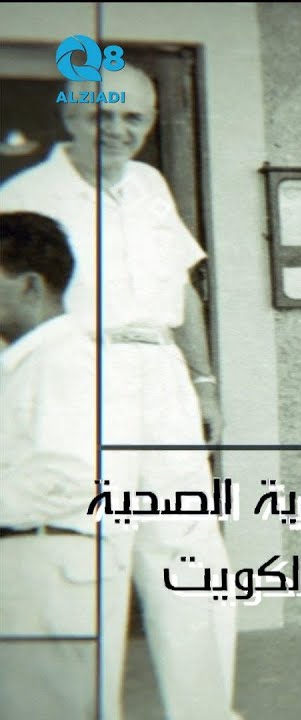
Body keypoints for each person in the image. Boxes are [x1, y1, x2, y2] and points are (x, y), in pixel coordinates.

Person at [0, 66, 240, 720]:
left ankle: (206, 712)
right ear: (71, 116)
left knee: (190, 553)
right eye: (102, 114)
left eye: (134, 116)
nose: (117, 129)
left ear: (152, 120)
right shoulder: (25, 195)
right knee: (92, 554)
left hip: (161, 375)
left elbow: (182, 290)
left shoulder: (150, 185)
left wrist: (205, 382)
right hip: (80, 376)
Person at [0, 212, 132, 720]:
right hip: (40, 563)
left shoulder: (64, 363)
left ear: (31, 285)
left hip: (49, 567)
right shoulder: (34, 362)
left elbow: (70, 479)